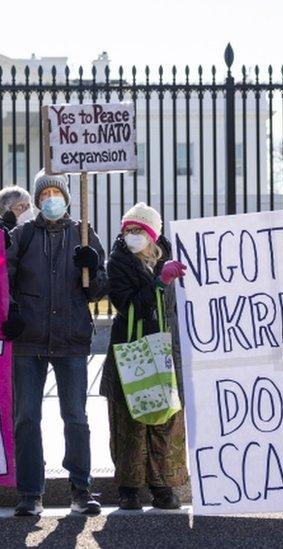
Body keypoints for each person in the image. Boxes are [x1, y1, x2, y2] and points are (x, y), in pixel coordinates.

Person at [4, 169, 108, 516]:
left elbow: (97, 289)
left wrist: (92, 268)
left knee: (76, 416)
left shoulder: (83, 233)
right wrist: (12, 312)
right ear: (36, 201)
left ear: (66, 197)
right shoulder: (23, 235)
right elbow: (4, 280)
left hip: (71, 338)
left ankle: (81, 488)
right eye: (44, 194)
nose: (51, 200)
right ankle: (30, 493)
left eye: (56, 193)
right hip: (29, 340)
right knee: (27, 418)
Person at [99, 203, 188, 510]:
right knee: (130, 421)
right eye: (128, 230)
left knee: (165, 418)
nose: (132, 236)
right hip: (131, 350)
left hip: (165, 352)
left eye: (139, 231)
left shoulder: (173, 257)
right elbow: (126, 304)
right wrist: (158, 283)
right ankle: (129, 488)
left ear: (152, 235)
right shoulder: (118, 262)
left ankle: (162, 485)